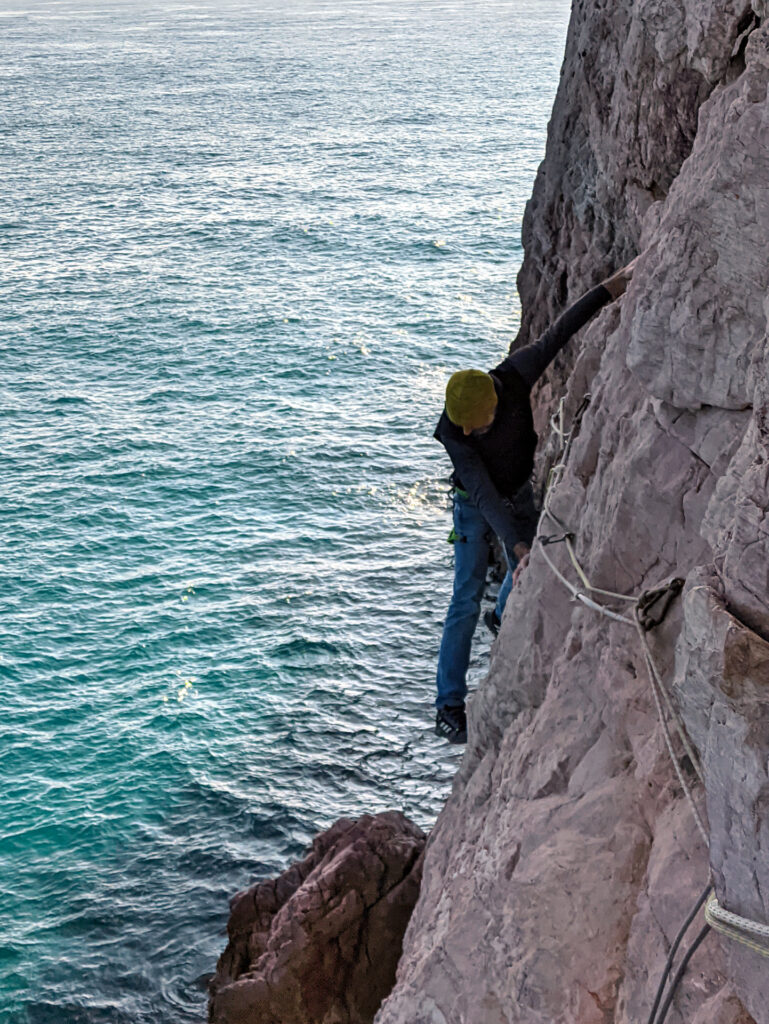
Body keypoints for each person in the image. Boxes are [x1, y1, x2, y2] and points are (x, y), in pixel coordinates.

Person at [433, 259, 638, 744]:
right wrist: (518, 548)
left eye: (475, 427)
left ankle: (503, 615)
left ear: (492, 410)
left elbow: (558, 332)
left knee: (519, 580)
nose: (468, 434)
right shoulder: (455, 434)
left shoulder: (516, 376)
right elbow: (482, 493)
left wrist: (611, 287)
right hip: (472, 506)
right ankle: (448, 705)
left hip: (520, 494)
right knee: (464, 595)